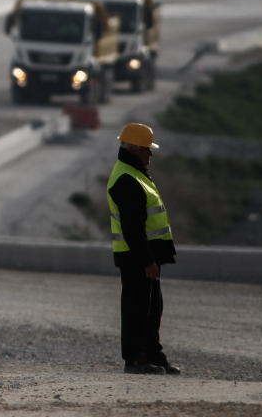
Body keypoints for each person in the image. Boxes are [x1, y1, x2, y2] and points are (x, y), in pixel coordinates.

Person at [107, 123, 180, 375]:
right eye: (147, 150)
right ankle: (134, 359)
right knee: (136, 308)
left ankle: (152, 355)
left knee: (151, 307)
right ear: (135, 148)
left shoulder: (134, 172)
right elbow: (132, 229)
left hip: (146, 255)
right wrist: (147, 260)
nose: (150, 154)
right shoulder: (127, 178)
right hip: (137, 257)